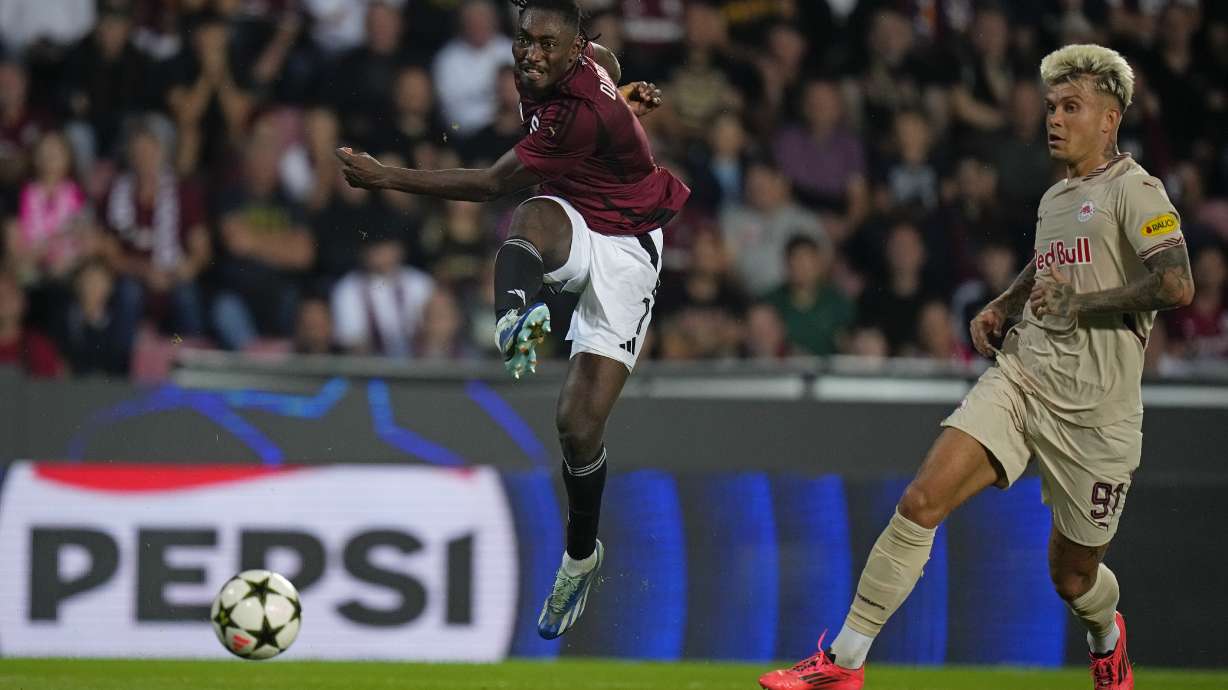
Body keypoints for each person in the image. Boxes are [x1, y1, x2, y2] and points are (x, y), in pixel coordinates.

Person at [760, 44, 1194, 690]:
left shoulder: (1138, 191)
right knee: (920, 500)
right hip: (1024, 379)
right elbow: (1050, 266)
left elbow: (1177, 284)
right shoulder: (1056, 198)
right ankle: (845, 663)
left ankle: (1107, 637)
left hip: (1098, 414)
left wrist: (1086, 302)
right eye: (1050, 107)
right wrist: (1007, 301)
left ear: (1110, 119)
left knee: (1072, 577)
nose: (1053, 119)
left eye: (1071, 107)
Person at [335, 0, 686, 641]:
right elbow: (609, 68)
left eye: (549, 45)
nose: (533, 54)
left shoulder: (574, 114)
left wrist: (386, 177)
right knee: (533, 217)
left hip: (629, 249)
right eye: (526, 40)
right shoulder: (592, 62)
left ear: (573, 50)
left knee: (577, 427)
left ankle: (580, 557)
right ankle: (514, 315)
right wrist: (626, 101)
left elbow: (488, 183)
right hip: (578, 218)